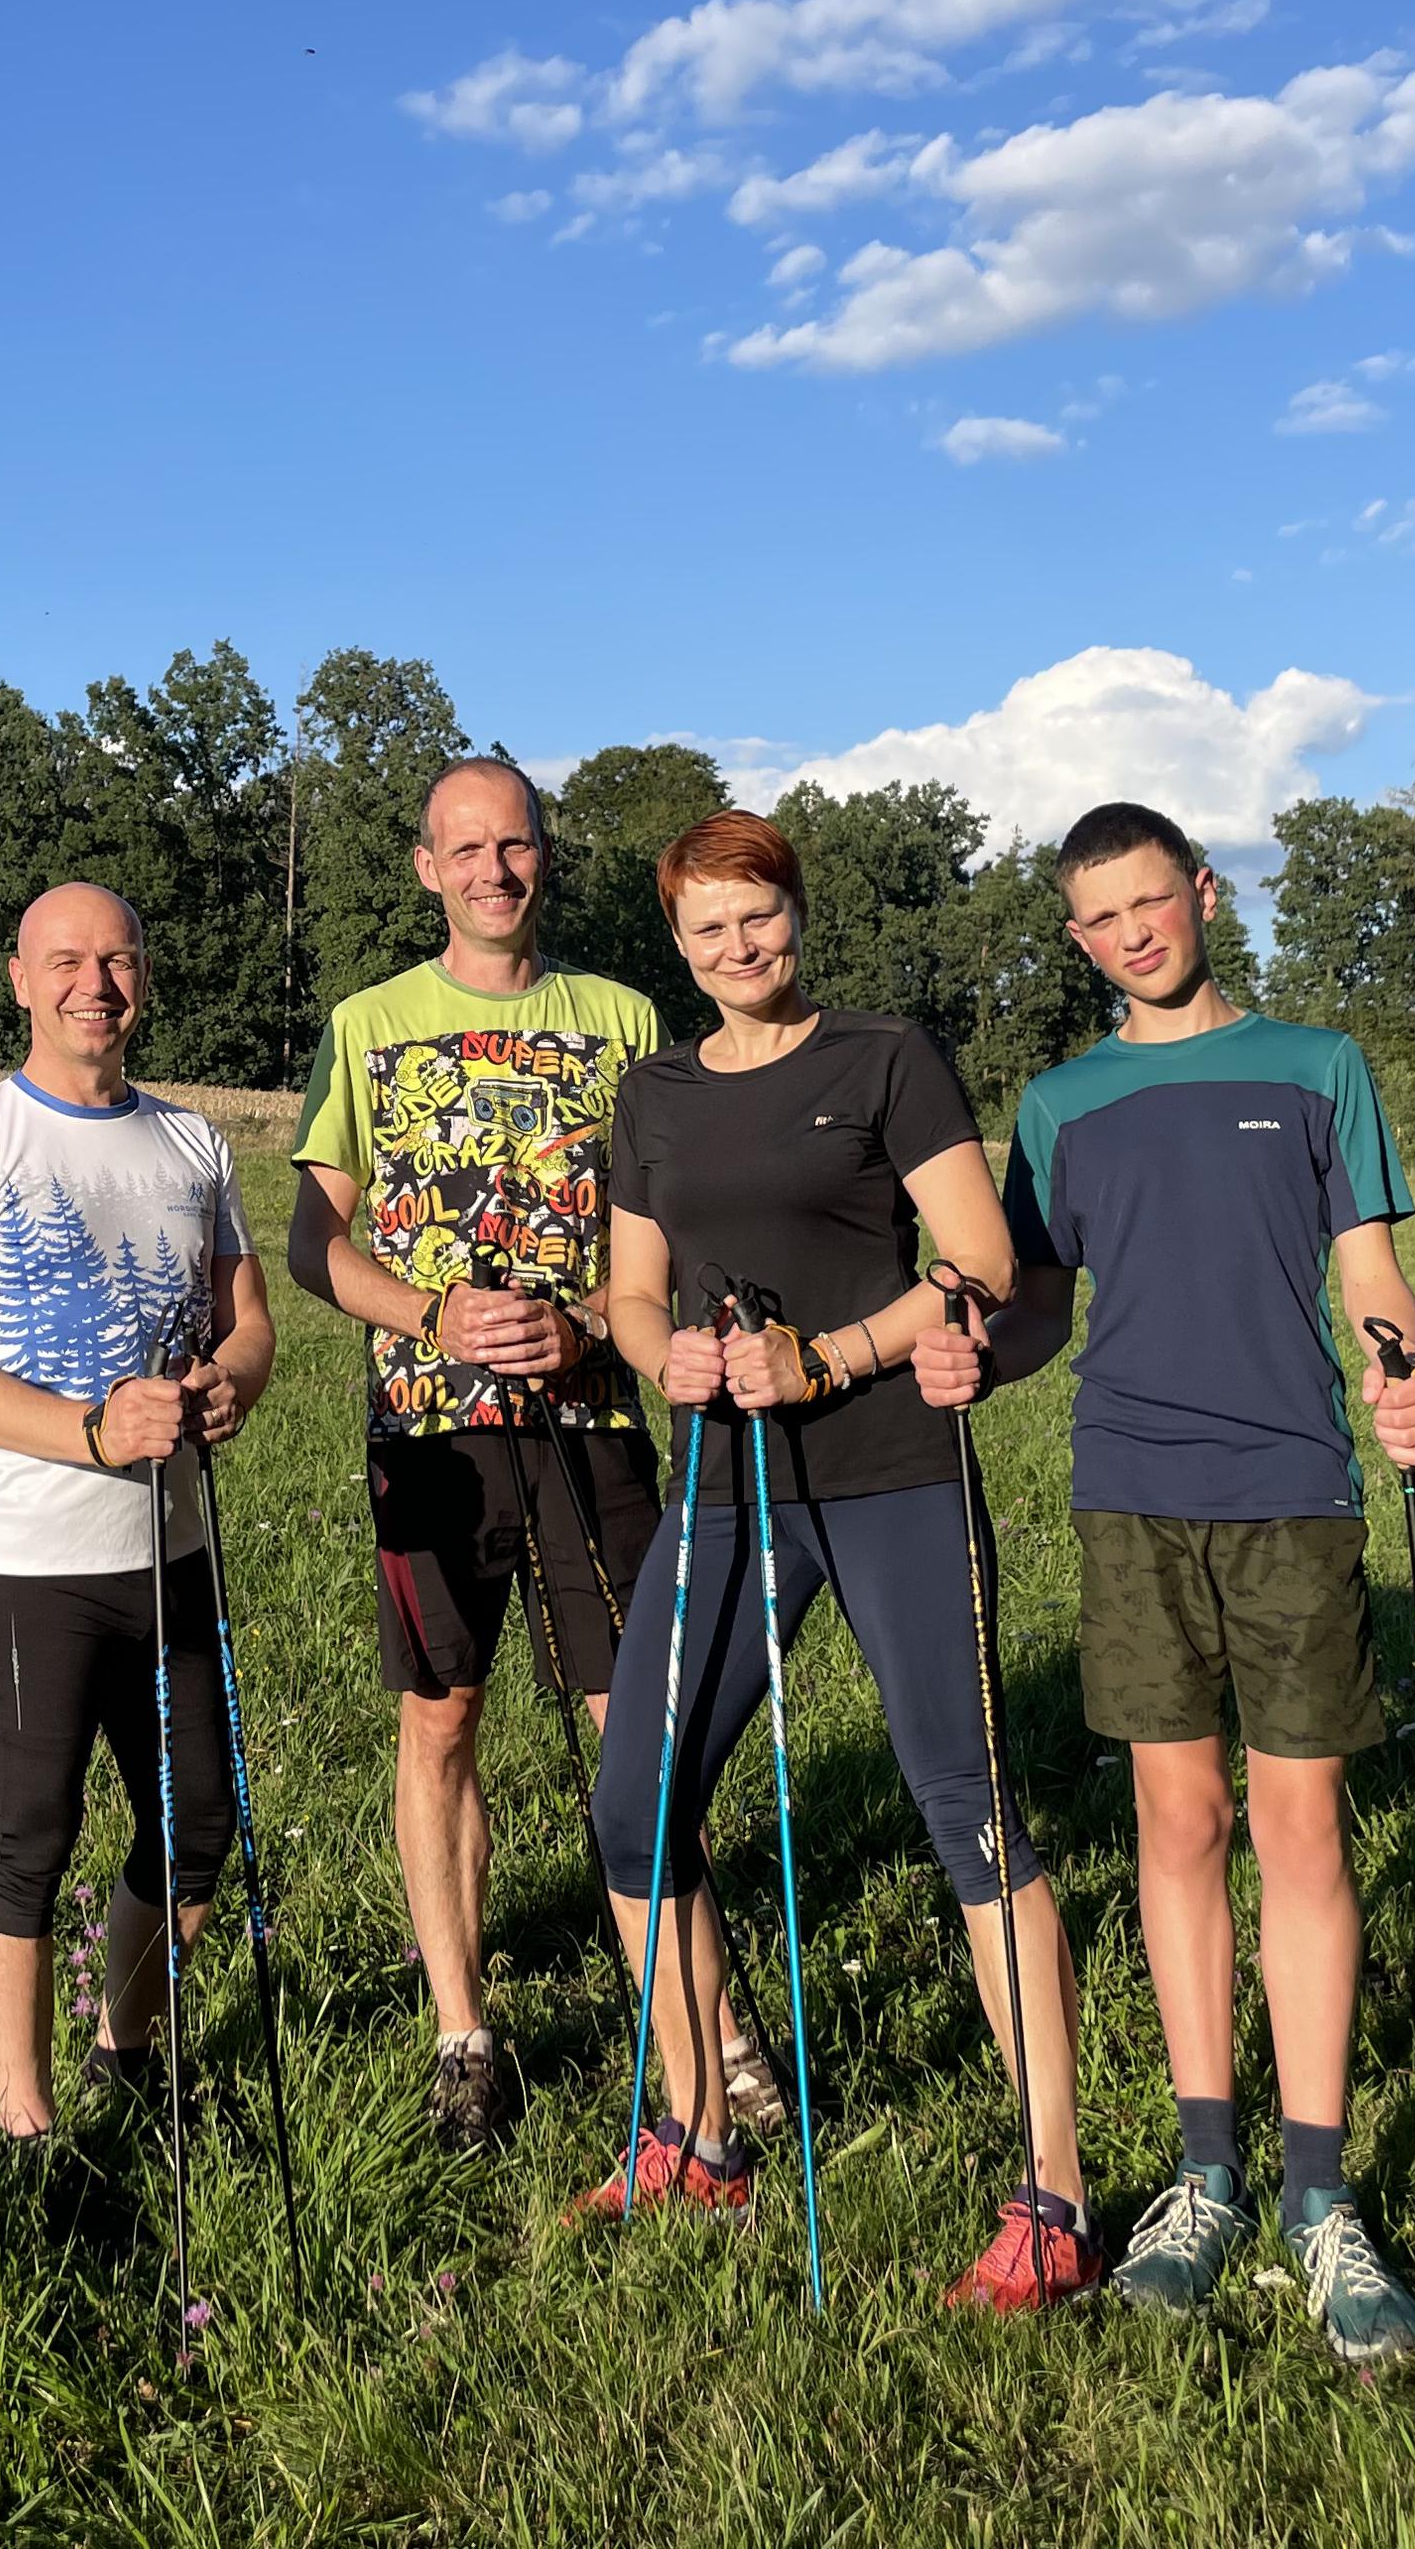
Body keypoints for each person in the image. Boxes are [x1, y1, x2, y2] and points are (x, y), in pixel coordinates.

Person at [916, 800, 1415, 2365]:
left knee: (1299, 1825)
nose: (1129, 935)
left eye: (1150, 903)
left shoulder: (1318, 1067)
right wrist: (970, 1354)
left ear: (1203, 895)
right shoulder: (1064, 1103)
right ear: (1078, 936)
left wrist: (1402, 1382)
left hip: (1290, 1493)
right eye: (1098, 919)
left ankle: (1319, 2194)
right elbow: (1033, 1310)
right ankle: (1203, 2173)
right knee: (1178, 1821)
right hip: (1129, 1498)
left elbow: (1370, 1273)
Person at [570, 808, 1099, 2309]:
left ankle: (1054, 2197)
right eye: (709, 929)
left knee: (964, 1806)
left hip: (887, 1476)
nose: (740, 949)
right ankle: (700, 2129)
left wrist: (833, 1357)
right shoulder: (653, 1093)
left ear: (798, 917)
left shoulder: (884, 1058)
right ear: (675, 945)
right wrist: (659, 1352)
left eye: (762, 919)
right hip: (725, 1488)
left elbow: (982, 1265)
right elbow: (628, 1288)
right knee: (637, 1807)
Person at [288, 756, 774, 2152]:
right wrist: (435, 1308)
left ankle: (712, 2029)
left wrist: (588, 1325)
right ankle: (463, 2031)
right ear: (428, 868)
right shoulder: (369, 1024)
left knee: (641, 1733)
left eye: (518, 846)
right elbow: (317, 1241)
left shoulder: (620, 1019)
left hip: (593, 1419)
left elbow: (670, 1221)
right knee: (440, 1723)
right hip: (429, 1433)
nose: (495, 869)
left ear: (542, 861)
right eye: (468, 848)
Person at [0, 882, 275, 2159]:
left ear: (144, 979)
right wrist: (94, 1434)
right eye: (65, 962)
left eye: (115, 961)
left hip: (173, 1549)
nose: (92, 986)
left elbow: (252, 1324)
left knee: (198, 1820)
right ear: (19, 979)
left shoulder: (192, 1144)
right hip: (29, 1561)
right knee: (30, 1837)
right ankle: (27, 2130)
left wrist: (232, 1384)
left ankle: (126, 2055)